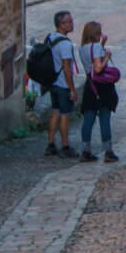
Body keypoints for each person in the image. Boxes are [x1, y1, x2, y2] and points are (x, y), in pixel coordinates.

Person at [78, 19, 120, 164]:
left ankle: (85, 150)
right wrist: (107, 57)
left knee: (88, 118)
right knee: (104, 118)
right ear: (95, 34)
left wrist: (102, 44)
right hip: (101, 87)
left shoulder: (83, 48)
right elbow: (98, 68)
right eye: (99, 32)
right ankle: (108, 151)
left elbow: (92, 61)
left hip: (90, 86)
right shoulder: (96, 47)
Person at [44, 10, 79, 158]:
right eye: (69, 22)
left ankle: (50, 145)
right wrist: (72, 89)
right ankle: (65, 147)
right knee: (65, 115)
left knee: (55, 113)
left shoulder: (50, 37)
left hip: (53, 83)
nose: (72, 24)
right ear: (61, 24)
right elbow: (67, 69)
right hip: (63, 85)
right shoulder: (65, 44)